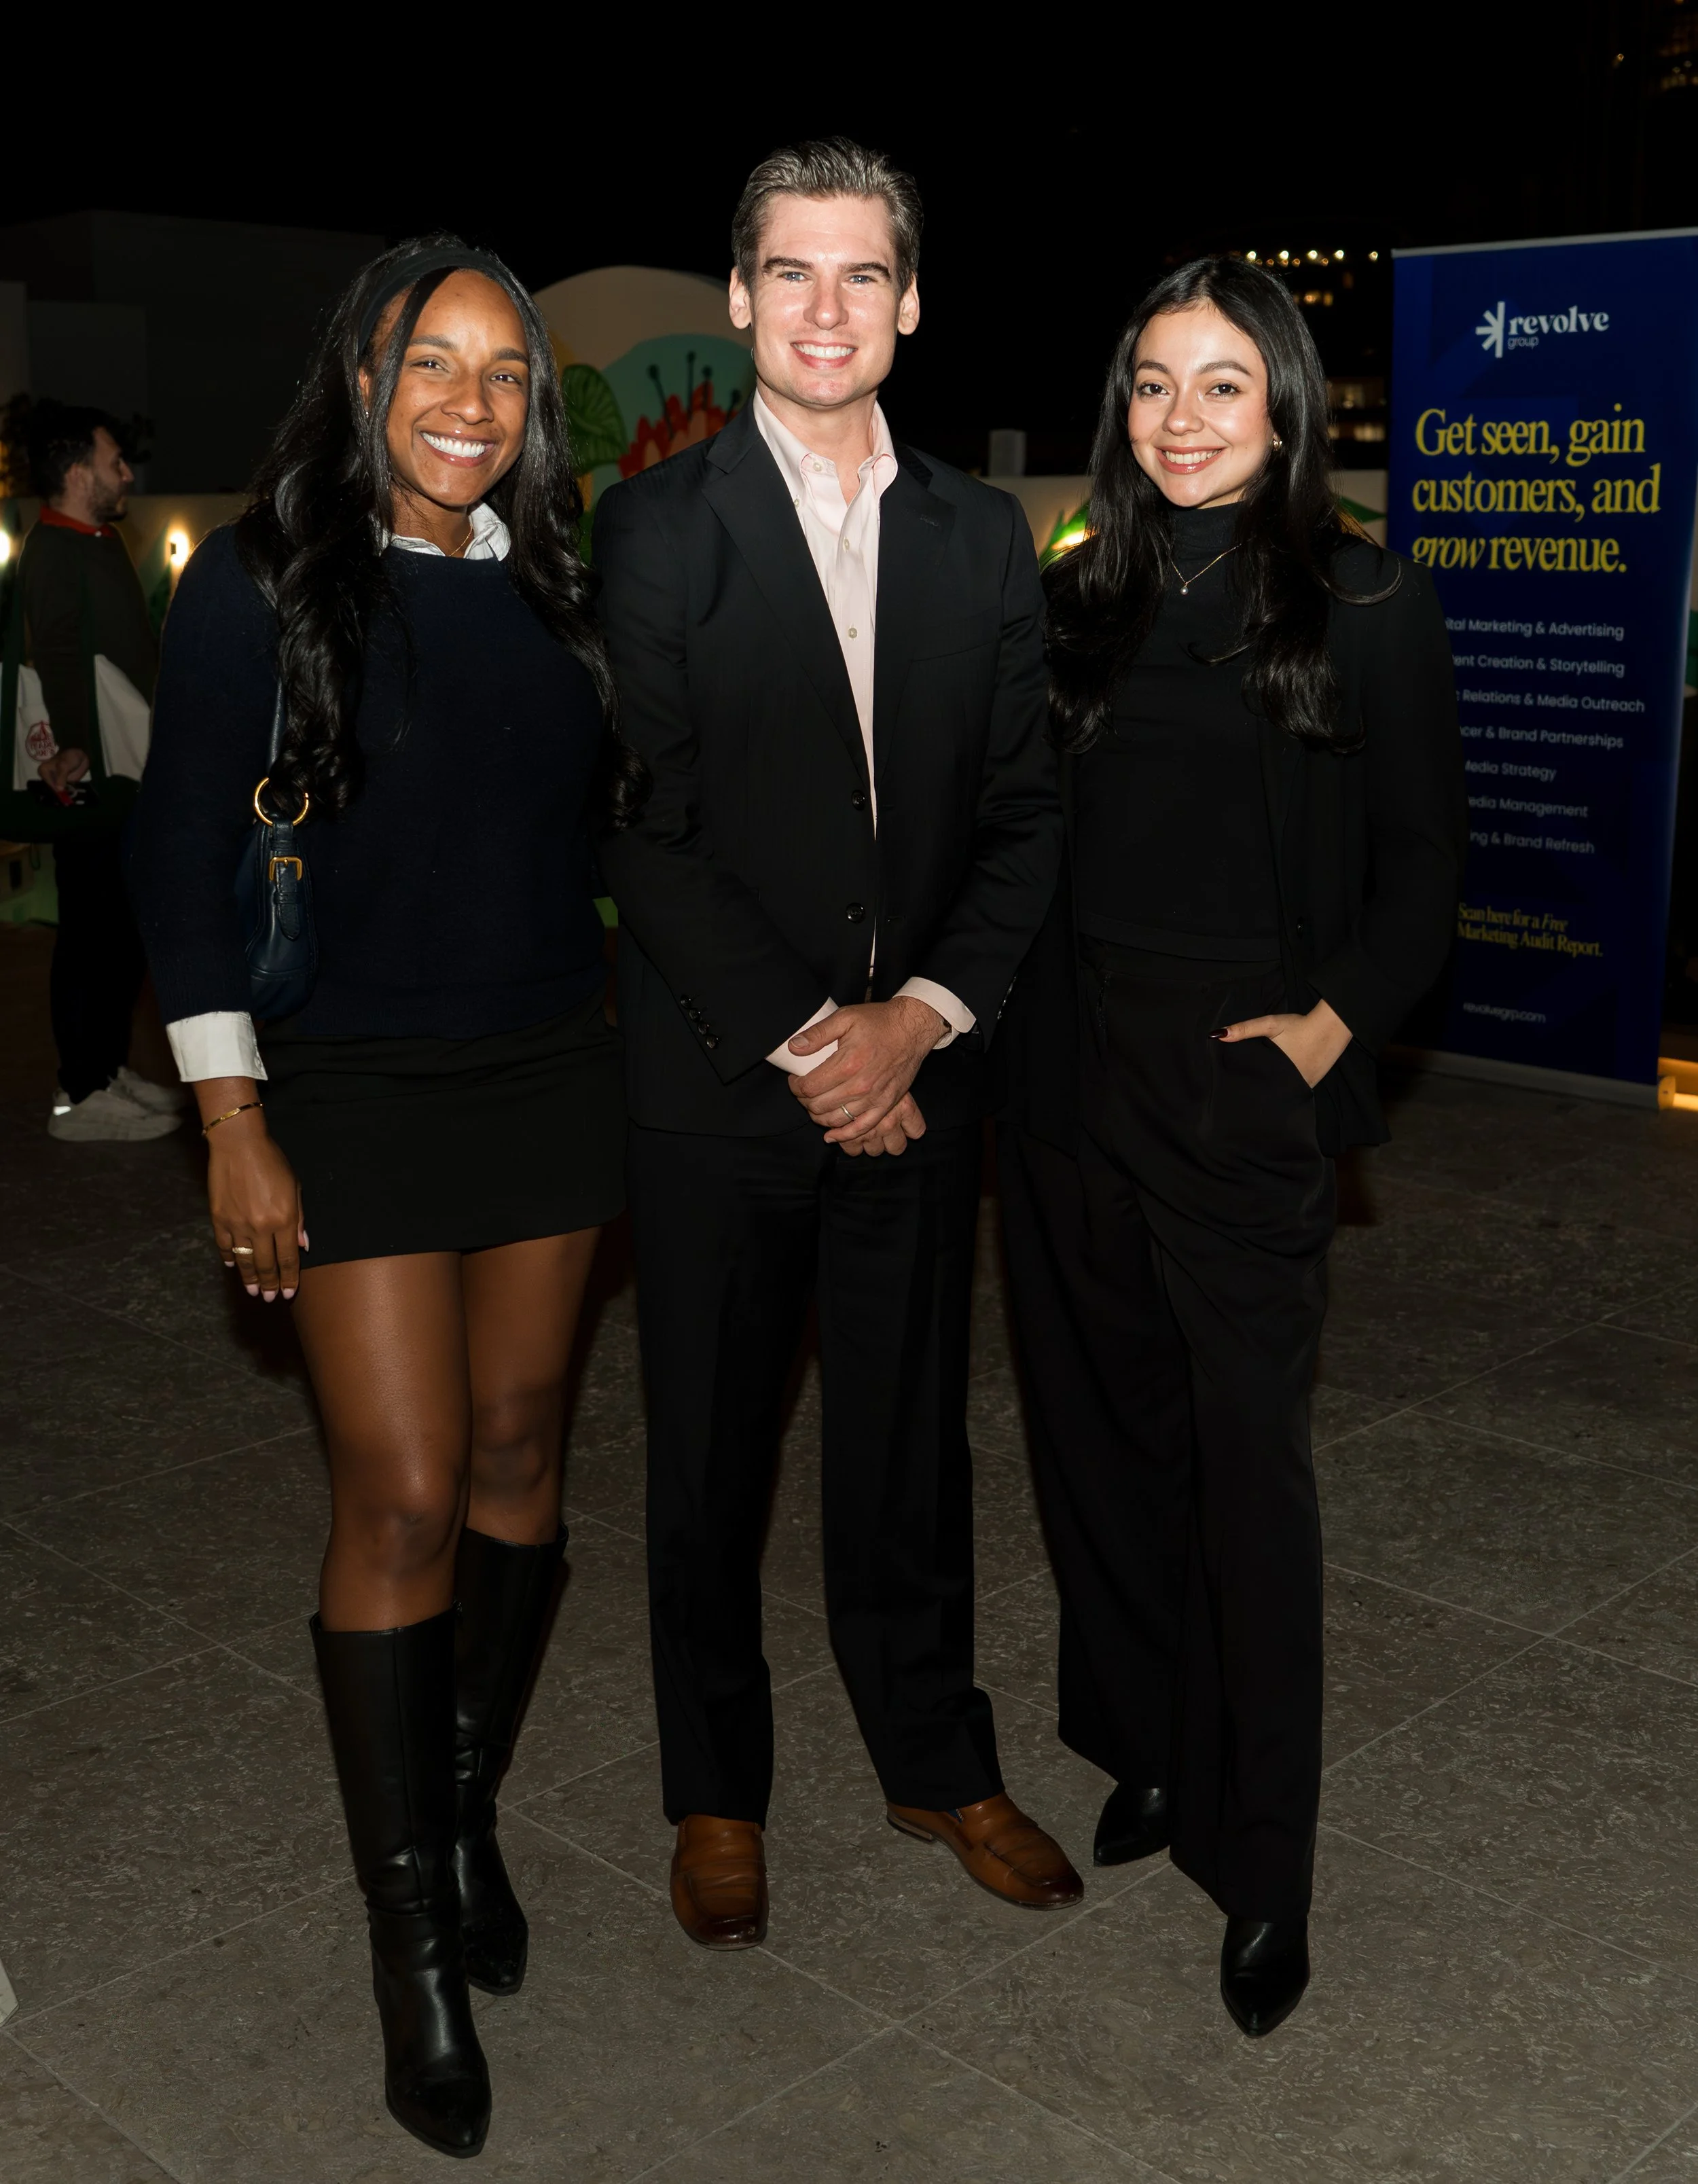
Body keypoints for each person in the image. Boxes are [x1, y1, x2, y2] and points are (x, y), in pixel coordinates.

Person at [128, 237, 641, 2159]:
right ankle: (409, 1934)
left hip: (549, 1065)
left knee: (520, 1450)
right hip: (341, 1081)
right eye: (434, 362)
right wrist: (230, 1115)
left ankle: (462, 1802)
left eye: (506, 374)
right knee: (408, 1487)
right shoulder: (265, 580)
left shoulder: (562, 583)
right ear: (363, 377)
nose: (469, 402)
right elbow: (182, 845)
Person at [594, 138, 1077, 1953]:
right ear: (738, 298)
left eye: (860, 272)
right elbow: (648, 827)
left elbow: (1024, 814)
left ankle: (935, 1754)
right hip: (725, 1079)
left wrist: (917, 1020)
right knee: (708, 1456)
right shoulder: (655, 526)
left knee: (907, 1444)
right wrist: (818, 1042)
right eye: (789, 270)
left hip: (920, 1076)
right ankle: (717, 1791)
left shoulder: (981, 534)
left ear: (910, 303)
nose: (824, 306)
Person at [998, 257, 1465, 2037]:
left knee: (1245, 1476)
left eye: (1216, 384)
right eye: (1149, 384)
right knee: (1097, 1447)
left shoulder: (1366, 597)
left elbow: (1424, 862)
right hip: (1065, 1085)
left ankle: (1264, 1858)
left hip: (1240, 1090)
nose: (1178, 418)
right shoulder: (1075, 596)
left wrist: (1330, 1028)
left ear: (1284, 403)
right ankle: (1147, 1744)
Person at [17, 403, 181, 1141]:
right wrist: (73, 747)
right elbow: (54, 655)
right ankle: (80, 1094)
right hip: (86, 774)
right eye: (115, 462)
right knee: (89, 933)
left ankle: (106, 1068)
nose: (127, 475)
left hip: (124, 769)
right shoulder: (54, 549)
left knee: (118, 931)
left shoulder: (97, 540)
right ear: (79, 474)